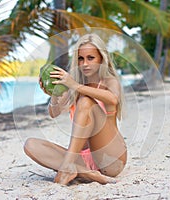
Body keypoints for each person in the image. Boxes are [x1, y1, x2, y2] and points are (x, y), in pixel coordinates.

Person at [24, 33, 127, 185]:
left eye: (90, 58)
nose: (85, 63)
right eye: (80, 58)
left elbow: (113, 98)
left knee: (85, 101)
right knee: (30, 144)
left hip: (110, 158)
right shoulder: (73, 84)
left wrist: (76, 86)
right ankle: (87, 173)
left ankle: (68, 166)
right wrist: (54, 94)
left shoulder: (109, 81)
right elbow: (54, 113)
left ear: (101, 59)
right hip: (82, 159)